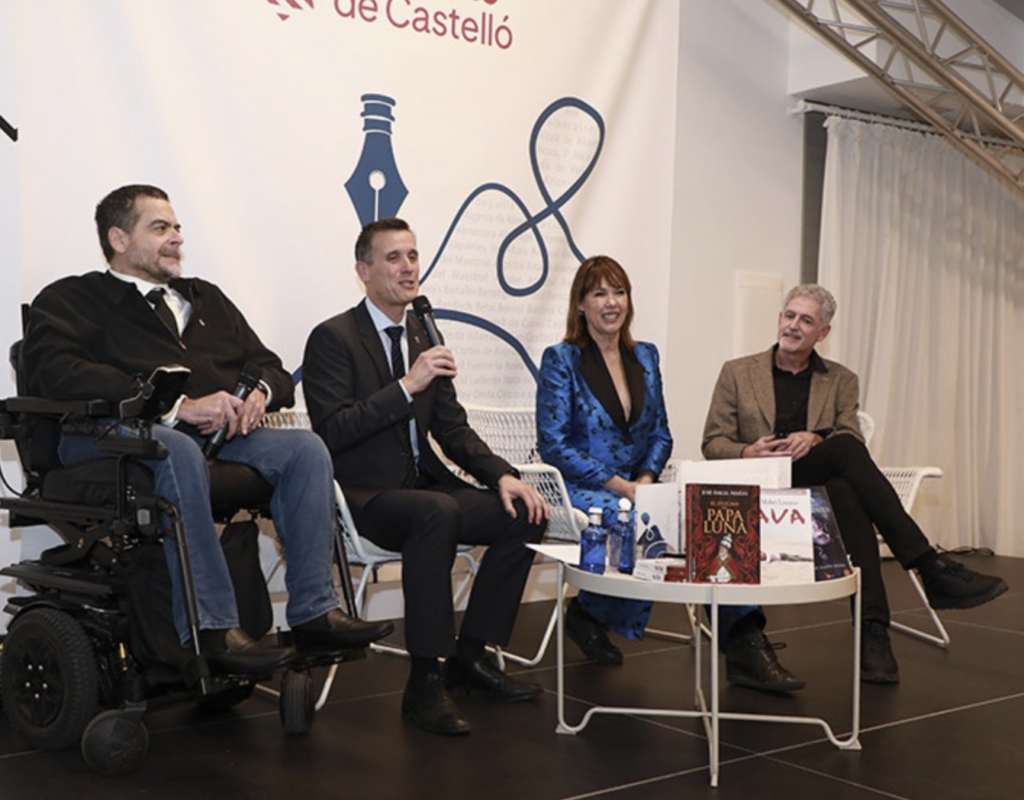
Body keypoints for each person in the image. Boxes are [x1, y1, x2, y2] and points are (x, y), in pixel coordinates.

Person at [21, 184, 394, 676]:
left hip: (211, 441)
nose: (176, 237)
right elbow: (55, 370)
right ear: (118, 239)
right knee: (175, 448)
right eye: (160, 228)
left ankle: (313, 611)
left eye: (177, 227)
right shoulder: (72, 298)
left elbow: (272, 368)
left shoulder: (205, 299)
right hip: (107, 434)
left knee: (304, 448)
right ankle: (214, 629)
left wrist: (259, 393)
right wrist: (177, 406)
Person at [302, 217, 550, 736]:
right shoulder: (333, 338)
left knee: (524, 513)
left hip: (424, 490)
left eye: (413, 256)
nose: (408, 267)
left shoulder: (423, 335)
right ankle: (424, 681)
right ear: (363, 271)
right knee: (436, 511)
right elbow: (332, 432)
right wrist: (405, 386)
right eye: (393, 258)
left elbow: (452, 428)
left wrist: (503, 476)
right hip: (366, 498)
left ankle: (471, 656)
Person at [702, 283, 1008, 685]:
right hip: (759, 487)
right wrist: (747, 451)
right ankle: (923, 572)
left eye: (806, 320)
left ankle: (874, 630)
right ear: (779, 318)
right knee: (845, 463)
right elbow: (712, 442)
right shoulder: (738, 372)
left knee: (845, 485)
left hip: (812, 489)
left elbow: (850, 434)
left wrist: (815, 438)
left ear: (823, 332)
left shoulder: (841, 379)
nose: (793, 326)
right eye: (789, 315)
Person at [536, 256, 804, 693]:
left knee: (714, 522)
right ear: (580, 304)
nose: (611, 302)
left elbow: (661, 433)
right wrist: (622, 487)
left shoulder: (644, 355)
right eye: (599, 293)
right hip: (583, 489)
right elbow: (554, 444)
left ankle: (745, 643)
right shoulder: (561, 359)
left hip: (639, 485)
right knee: (645, 524)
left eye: (619, 292)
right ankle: (590, 614)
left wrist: (645, 479)